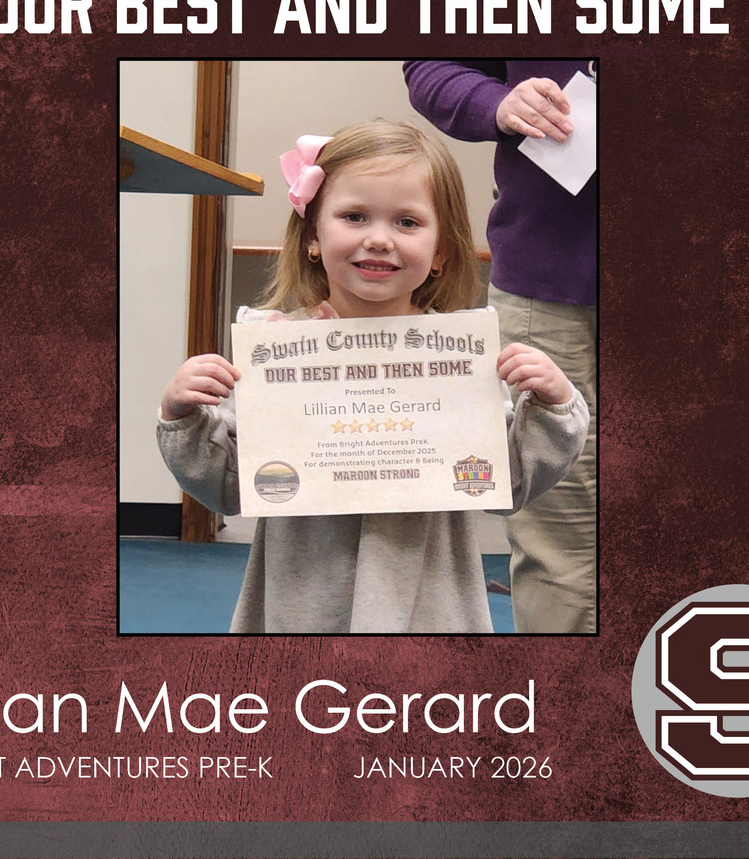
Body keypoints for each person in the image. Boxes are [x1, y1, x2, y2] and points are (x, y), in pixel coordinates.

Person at [157, 120, 589, 634]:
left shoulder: (464, 362)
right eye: (355, 216)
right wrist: (181, 417)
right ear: (314, 236)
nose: (379, 239)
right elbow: (229, 489)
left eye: (408, 222)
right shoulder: (272, 351)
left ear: (441, 252)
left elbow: (506, 486)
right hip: (301, 609)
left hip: (429, 610)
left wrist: (554, 407)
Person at [403, 61, 597, 634]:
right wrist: (496, 102)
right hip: (550, 279)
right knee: (560, 541)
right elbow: (432, 63)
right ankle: (566, 710)